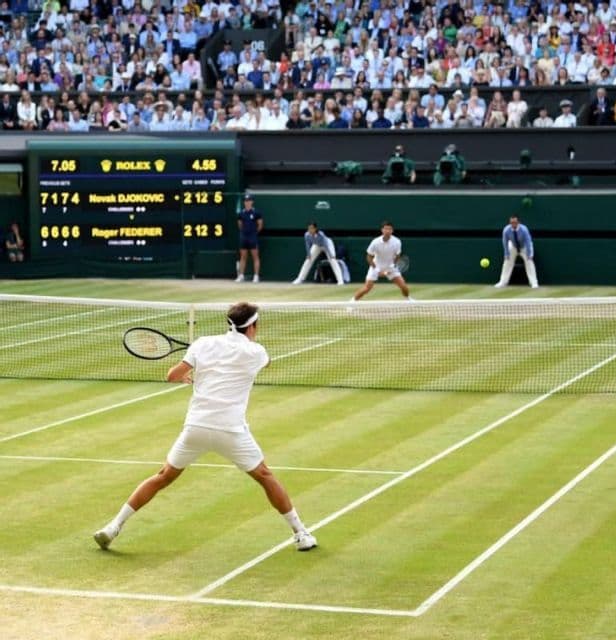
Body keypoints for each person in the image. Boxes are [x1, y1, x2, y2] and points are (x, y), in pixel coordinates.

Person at [94, 302, 317, 552]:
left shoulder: (202, 344)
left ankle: (113, 527)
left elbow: (172, 375)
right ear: (253, 326)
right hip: (230, 431)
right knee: (265, 477)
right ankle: (301, 533)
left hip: (196, 428)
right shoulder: (257, 353)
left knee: (163, 476)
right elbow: (265, 363)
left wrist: (196, 370)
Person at [351, 221, 413, 301]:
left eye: (390, 229)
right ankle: (352, 301)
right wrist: (376, 269)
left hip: (390, 266)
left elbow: (397, 255)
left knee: (403, 286)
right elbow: (369, 257)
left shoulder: (397, 242)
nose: (387, 231)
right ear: (382, 230)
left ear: (392, 231)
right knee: (367, 288)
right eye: (386, 229)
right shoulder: (375, 242)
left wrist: (393, 265)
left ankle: (408, 299)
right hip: (376, 266)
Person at [494, 215, 539, 289]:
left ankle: (534, 283)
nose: (513, 224)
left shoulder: (524, 229)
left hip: (524, 246)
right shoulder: (506, 230)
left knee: (529, 262)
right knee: (507, 262)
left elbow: (528, 241)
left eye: (515, 222)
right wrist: (506, 254)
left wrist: (529, 253)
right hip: (513, 246)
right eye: (511, 222)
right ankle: (503, 282)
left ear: (518, 222)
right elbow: (505, 242)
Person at [235, 193, 263, 283]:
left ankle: (256, 276)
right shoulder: (241, 213)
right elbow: (240, 225)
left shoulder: (256, 213)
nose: (247, 202)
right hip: (244, 237)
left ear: (252, 202)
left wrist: (254, 233)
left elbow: (260, 225)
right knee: (243, 257)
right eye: (246, 201)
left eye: (249, 201)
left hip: (253, 237)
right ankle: (241, 275)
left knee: (255, 256)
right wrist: (244, 233)